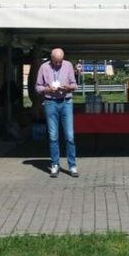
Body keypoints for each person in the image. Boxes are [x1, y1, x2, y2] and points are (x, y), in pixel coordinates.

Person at [35, 48, 78, 178]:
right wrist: (48, 89)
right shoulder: (44, 67)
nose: (58, 64)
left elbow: (74, 85)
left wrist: (68, 87)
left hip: (66, 102)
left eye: (60, 61)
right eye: (56, 61)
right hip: (50, 102)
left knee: (69, 136)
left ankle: (72, 165)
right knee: (53, 136)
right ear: (51, 58)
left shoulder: (68, 65)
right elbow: (38, 87)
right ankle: (55, 165)